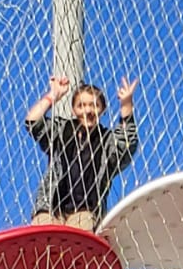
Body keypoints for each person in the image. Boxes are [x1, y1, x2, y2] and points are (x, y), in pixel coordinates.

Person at [23, 75, 139, 229]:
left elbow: (127, 145)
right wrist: (53, 95)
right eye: (81, 105)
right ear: (74, 110)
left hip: (85, 210)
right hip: (51, 206)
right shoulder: (62, 130)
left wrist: (126, 106)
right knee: (42, 236)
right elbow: (33, 122)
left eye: (94, 105)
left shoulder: (106, 140)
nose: (88, 110)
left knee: (79, 235)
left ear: (102, 109)